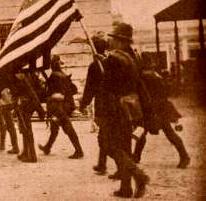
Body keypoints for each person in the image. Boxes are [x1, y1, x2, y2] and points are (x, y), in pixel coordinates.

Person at [99, 22, 150, 198]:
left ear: (120, 41)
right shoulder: (133, 58)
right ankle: (126, 188)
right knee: (126, 147)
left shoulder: (112, 59)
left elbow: (106, 87)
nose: (110, 41)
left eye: (113, 38)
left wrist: (103, 65)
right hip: (132, 107)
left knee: (110, 146)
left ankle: (139, 176)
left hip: (116, 109)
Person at [132, 53, 190, 168]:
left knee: (143, 133)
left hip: (151, 109)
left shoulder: (143, 77)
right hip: (160, 108)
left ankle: (136, 156)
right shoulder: (156, 76)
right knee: (166, 133)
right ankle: (184, 156)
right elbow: (165, 92)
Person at [39, 55, 84, 159]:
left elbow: (53, 93)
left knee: (68, 129)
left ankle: (79, 150)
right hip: (65, 105)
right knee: (54, 129)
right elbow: (73, 90)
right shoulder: (62, 75)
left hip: (59, 107)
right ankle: (47, 147)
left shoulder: (55, 76)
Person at [79, 36, 110, 174]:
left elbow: (89, 88)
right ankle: (102, 164)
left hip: (103, 105)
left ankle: (123, 166)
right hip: (116, 103)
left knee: (104, 137)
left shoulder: (95, 65)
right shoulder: (110, 61)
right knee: (105, 135)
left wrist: (83, 104)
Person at [0, 87, 19, 154]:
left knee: (9, 126)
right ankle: (3, 144)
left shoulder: (0, 82)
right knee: (2, 125)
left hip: (4, 105)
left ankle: (15, 147)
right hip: (4, 104)